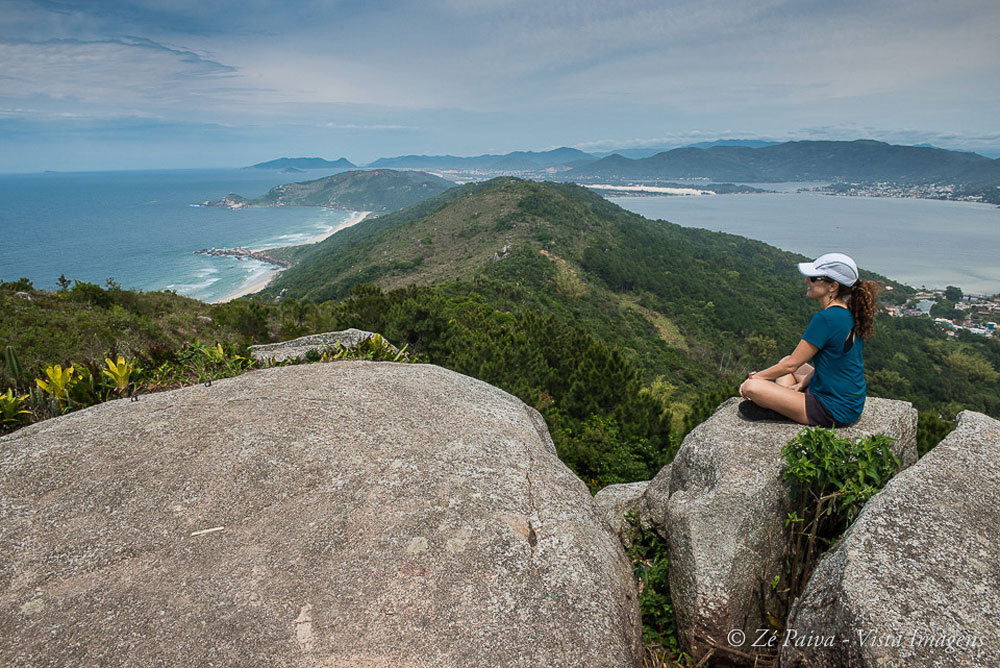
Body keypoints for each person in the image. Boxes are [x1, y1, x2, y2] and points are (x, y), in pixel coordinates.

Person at [738, 252, 881, 427]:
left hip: (832, 410)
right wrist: (800, 385)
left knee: (753, 388)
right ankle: (785, 404)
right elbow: (834, 362)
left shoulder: (826, 319)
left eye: (813, 278)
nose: (807, 280)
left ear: (833, 286)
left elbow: (792, 365)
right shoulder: (849, 312)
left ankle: (782, 409)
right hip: (850, 403)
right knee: (784, 363)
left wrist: (753, 378)